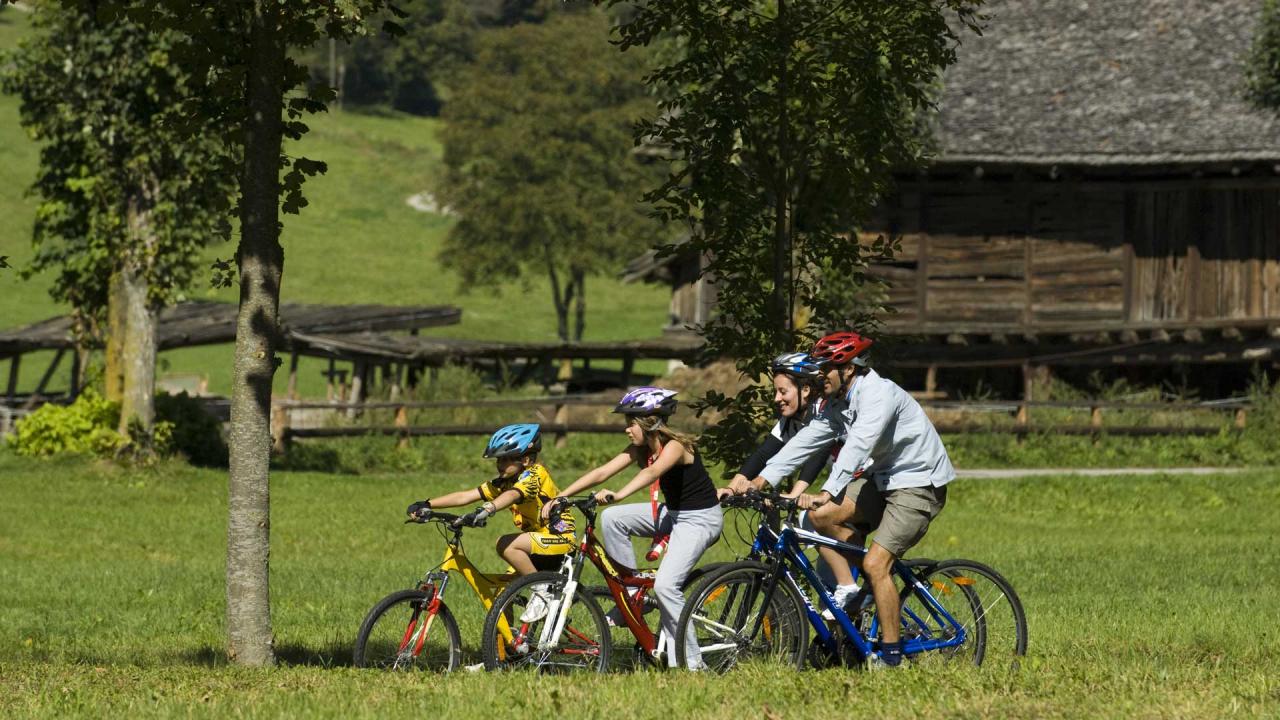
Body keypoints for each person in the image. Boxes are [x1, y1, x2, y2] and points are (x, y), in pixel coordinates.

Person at [729, 331, 954, 667]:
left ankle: (889, 659)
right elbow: (804, 442)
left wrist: (827, 492)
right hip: (882, 481)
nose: (819, 377)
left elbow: (858, 446)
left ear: (847, 369)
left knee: (877, 564)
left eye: (825, 370)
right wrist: (760, 480)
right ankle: (862, 593)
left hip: (918, 483)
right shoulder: (838, 403)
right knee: (821, 520)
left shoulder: (878, 395)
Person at [546, 387, 722, 669]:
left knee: (666, 586)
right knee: (613, 518)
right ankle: (632, 596)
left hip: (700, 519)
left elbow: (652, 472)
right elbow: (602, 472)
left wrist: (620, 493)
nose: (627, 429)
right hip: (673, 514)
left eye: (631, 422)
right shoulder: (640, 448)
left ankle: (693, 663)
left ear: (649, 421)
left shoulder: (676, 446)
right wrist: (562, 496)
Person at [406, 423, 575, 622]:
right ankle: (513, 650)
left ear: (526, 459)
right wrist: (427, 504)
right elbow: (466, 496)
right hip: (536, 546)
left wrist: (488, 509)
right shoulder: (503, 482)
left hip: (559, 539)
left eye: (506, 459)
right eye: (498, 460)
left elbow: (513, 495)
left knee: (505, 544)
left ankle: (542, 592)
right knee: (502, 595)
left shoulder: (535, 475)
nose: (500, 465)